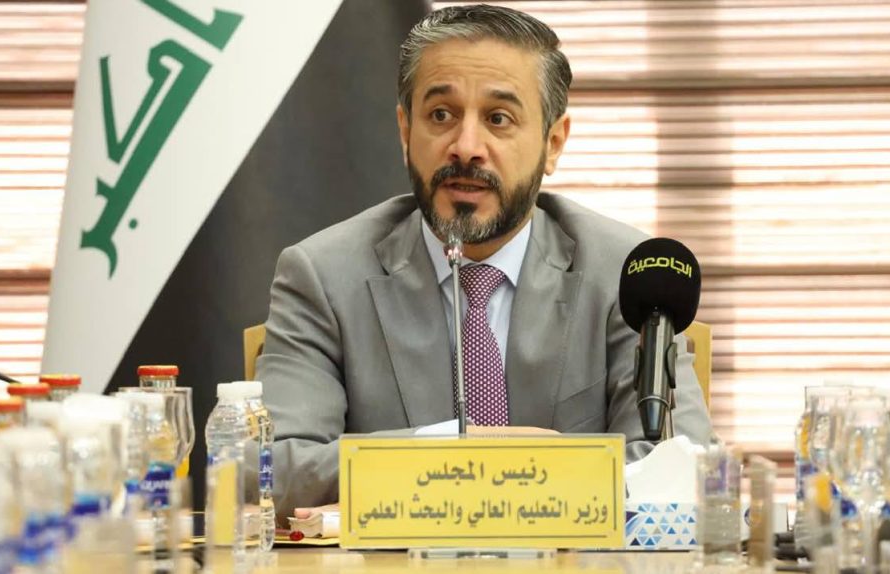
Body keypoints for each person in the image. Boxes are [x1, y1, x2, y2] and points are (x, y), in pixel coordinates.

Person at [256, 4, 713, 524]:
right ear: (405, 131)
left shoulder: (628, 275)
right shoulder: (322, 276)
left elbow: (681, 469)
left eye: (498, 119)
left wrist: (502, 478)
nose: (466, 147)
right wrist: (454, 451)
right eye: (441, 115)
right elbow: (272, 468)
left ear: (553, 144)